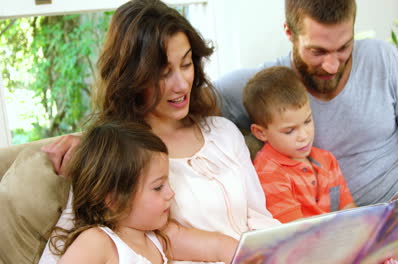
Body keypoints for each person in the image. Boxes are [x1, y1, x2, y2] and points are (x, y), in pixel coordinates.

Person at [214, 0, 398, 261]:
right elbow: (186, 98)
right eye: (317, 51)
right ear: (289, 32)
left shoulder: (381, 57)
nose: (332, 65)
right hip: (389, 228)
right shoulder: (268, 91)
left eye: (344, 47)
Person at [39, 0, 279, 263]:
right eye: (164, 73)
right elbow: (66, 249)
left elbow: (259, 217)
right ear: (132, 77)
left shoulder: (223, 133)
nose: (181, 84)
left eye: (186, 64)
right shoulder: (118, 157)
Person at [52, 120, 237, 263]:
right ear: (114, 200)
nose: (171, 193)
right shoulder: (97, 242)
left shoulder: (158, 236)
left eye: (167, 182)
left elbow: (218, 246)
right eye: (158, 187)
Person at [243, 66, 355, 223]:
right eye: (289, 131)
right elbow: (294, 233)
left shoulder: (326, 160)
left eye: (308, 121)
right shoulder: (269, 173)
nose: (304, 136)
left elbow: (350, 210)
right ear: (261, 133)